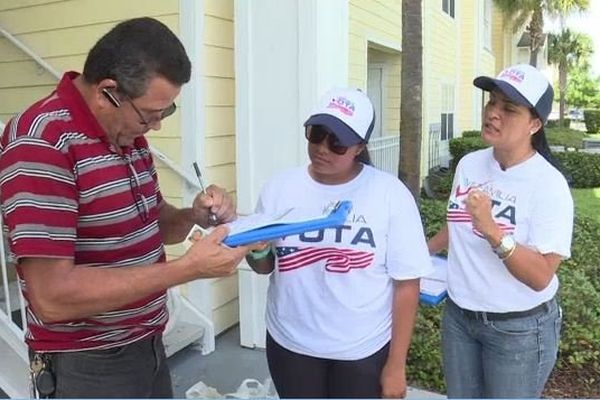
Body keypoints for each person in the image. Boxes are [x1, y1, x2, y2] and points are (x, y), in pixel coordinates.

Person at [0, 17, 258, 398]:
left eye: (165, 113)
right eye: (150, 113)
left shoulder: (126, 136)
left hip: (147, 343)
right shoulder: (42, 142)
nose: (155, 126)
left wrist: (193, 216)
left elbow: (153, 221)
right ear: (108, 91)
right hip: (88, 364)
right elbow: (52, 297)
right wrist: (187, 270)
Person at [246, 88, 434, 398]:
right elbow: (264, 266)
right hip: (290, 345)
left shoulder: (389, 195)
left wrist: (396, 365)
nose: (322, 148)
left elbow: (407, 285)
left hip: (362, 351)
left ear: (360, 146)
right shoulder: (280, 188)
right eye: (316, 134)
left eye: (338, 142)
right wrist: (258, 249)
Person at [427, 64, 574, 398]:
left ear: (535, 124)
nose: (493, 113)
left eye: (508, 109)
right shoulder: (469, 164)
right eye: (491, 102)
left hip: (518, 329)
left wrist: (493, 230)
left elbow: (540, 276)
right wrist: (424, 251)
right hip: (459, 318)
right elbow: (458, 224)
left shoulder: (549, 185)